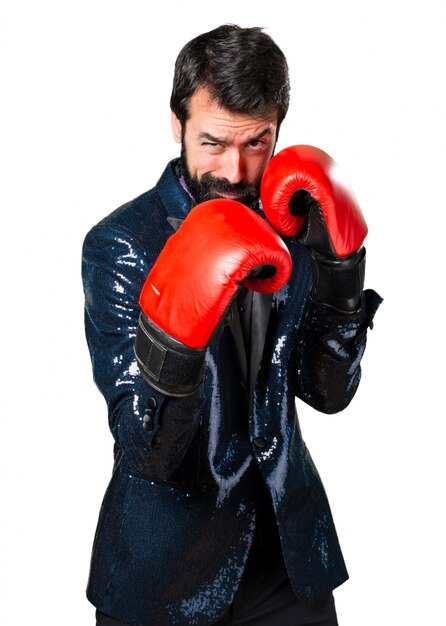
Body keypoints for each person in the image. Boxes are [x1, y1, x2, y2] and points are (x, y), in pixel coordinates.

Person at [82, 24, 382, 626]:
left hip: (287, 562)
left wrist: (339, 277)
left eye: (257, 143)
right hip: (167, 577)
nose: (236, 170)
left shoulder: (291, 223)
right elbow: (148, 455)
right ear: (178, 123)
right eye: (214, 142)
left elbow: (328, 393)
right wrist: (177, 338)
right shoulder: (122, 244)